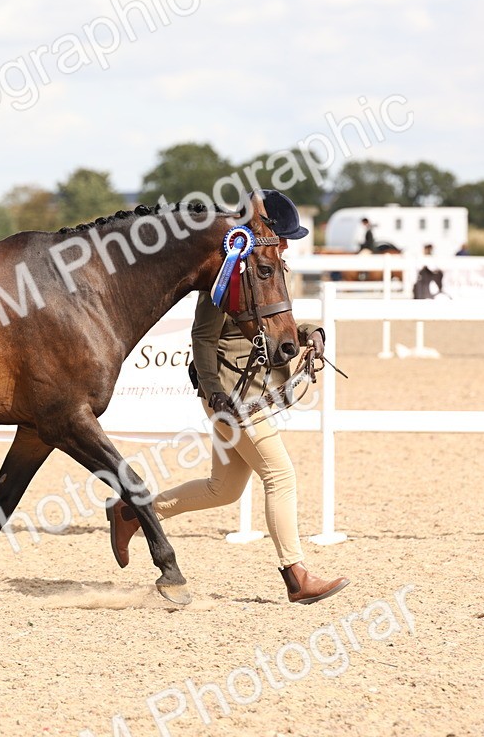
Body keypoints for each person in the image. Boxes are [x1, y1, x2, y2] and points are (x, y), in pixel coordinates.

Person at [107, 190, 349, 605]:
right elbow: (203, 337)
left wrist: (309, 332)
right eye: (283, 234)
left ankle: (131, 512)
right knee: (280, 475)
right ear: (261, 229)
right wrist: (215, 393)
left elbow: (274, 320)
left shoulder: (264, 267)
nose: (288, 243)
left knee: (224, 489)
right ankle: (296, 575)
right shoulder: (227, 273)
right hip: (234, 395)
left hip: (251, 391)